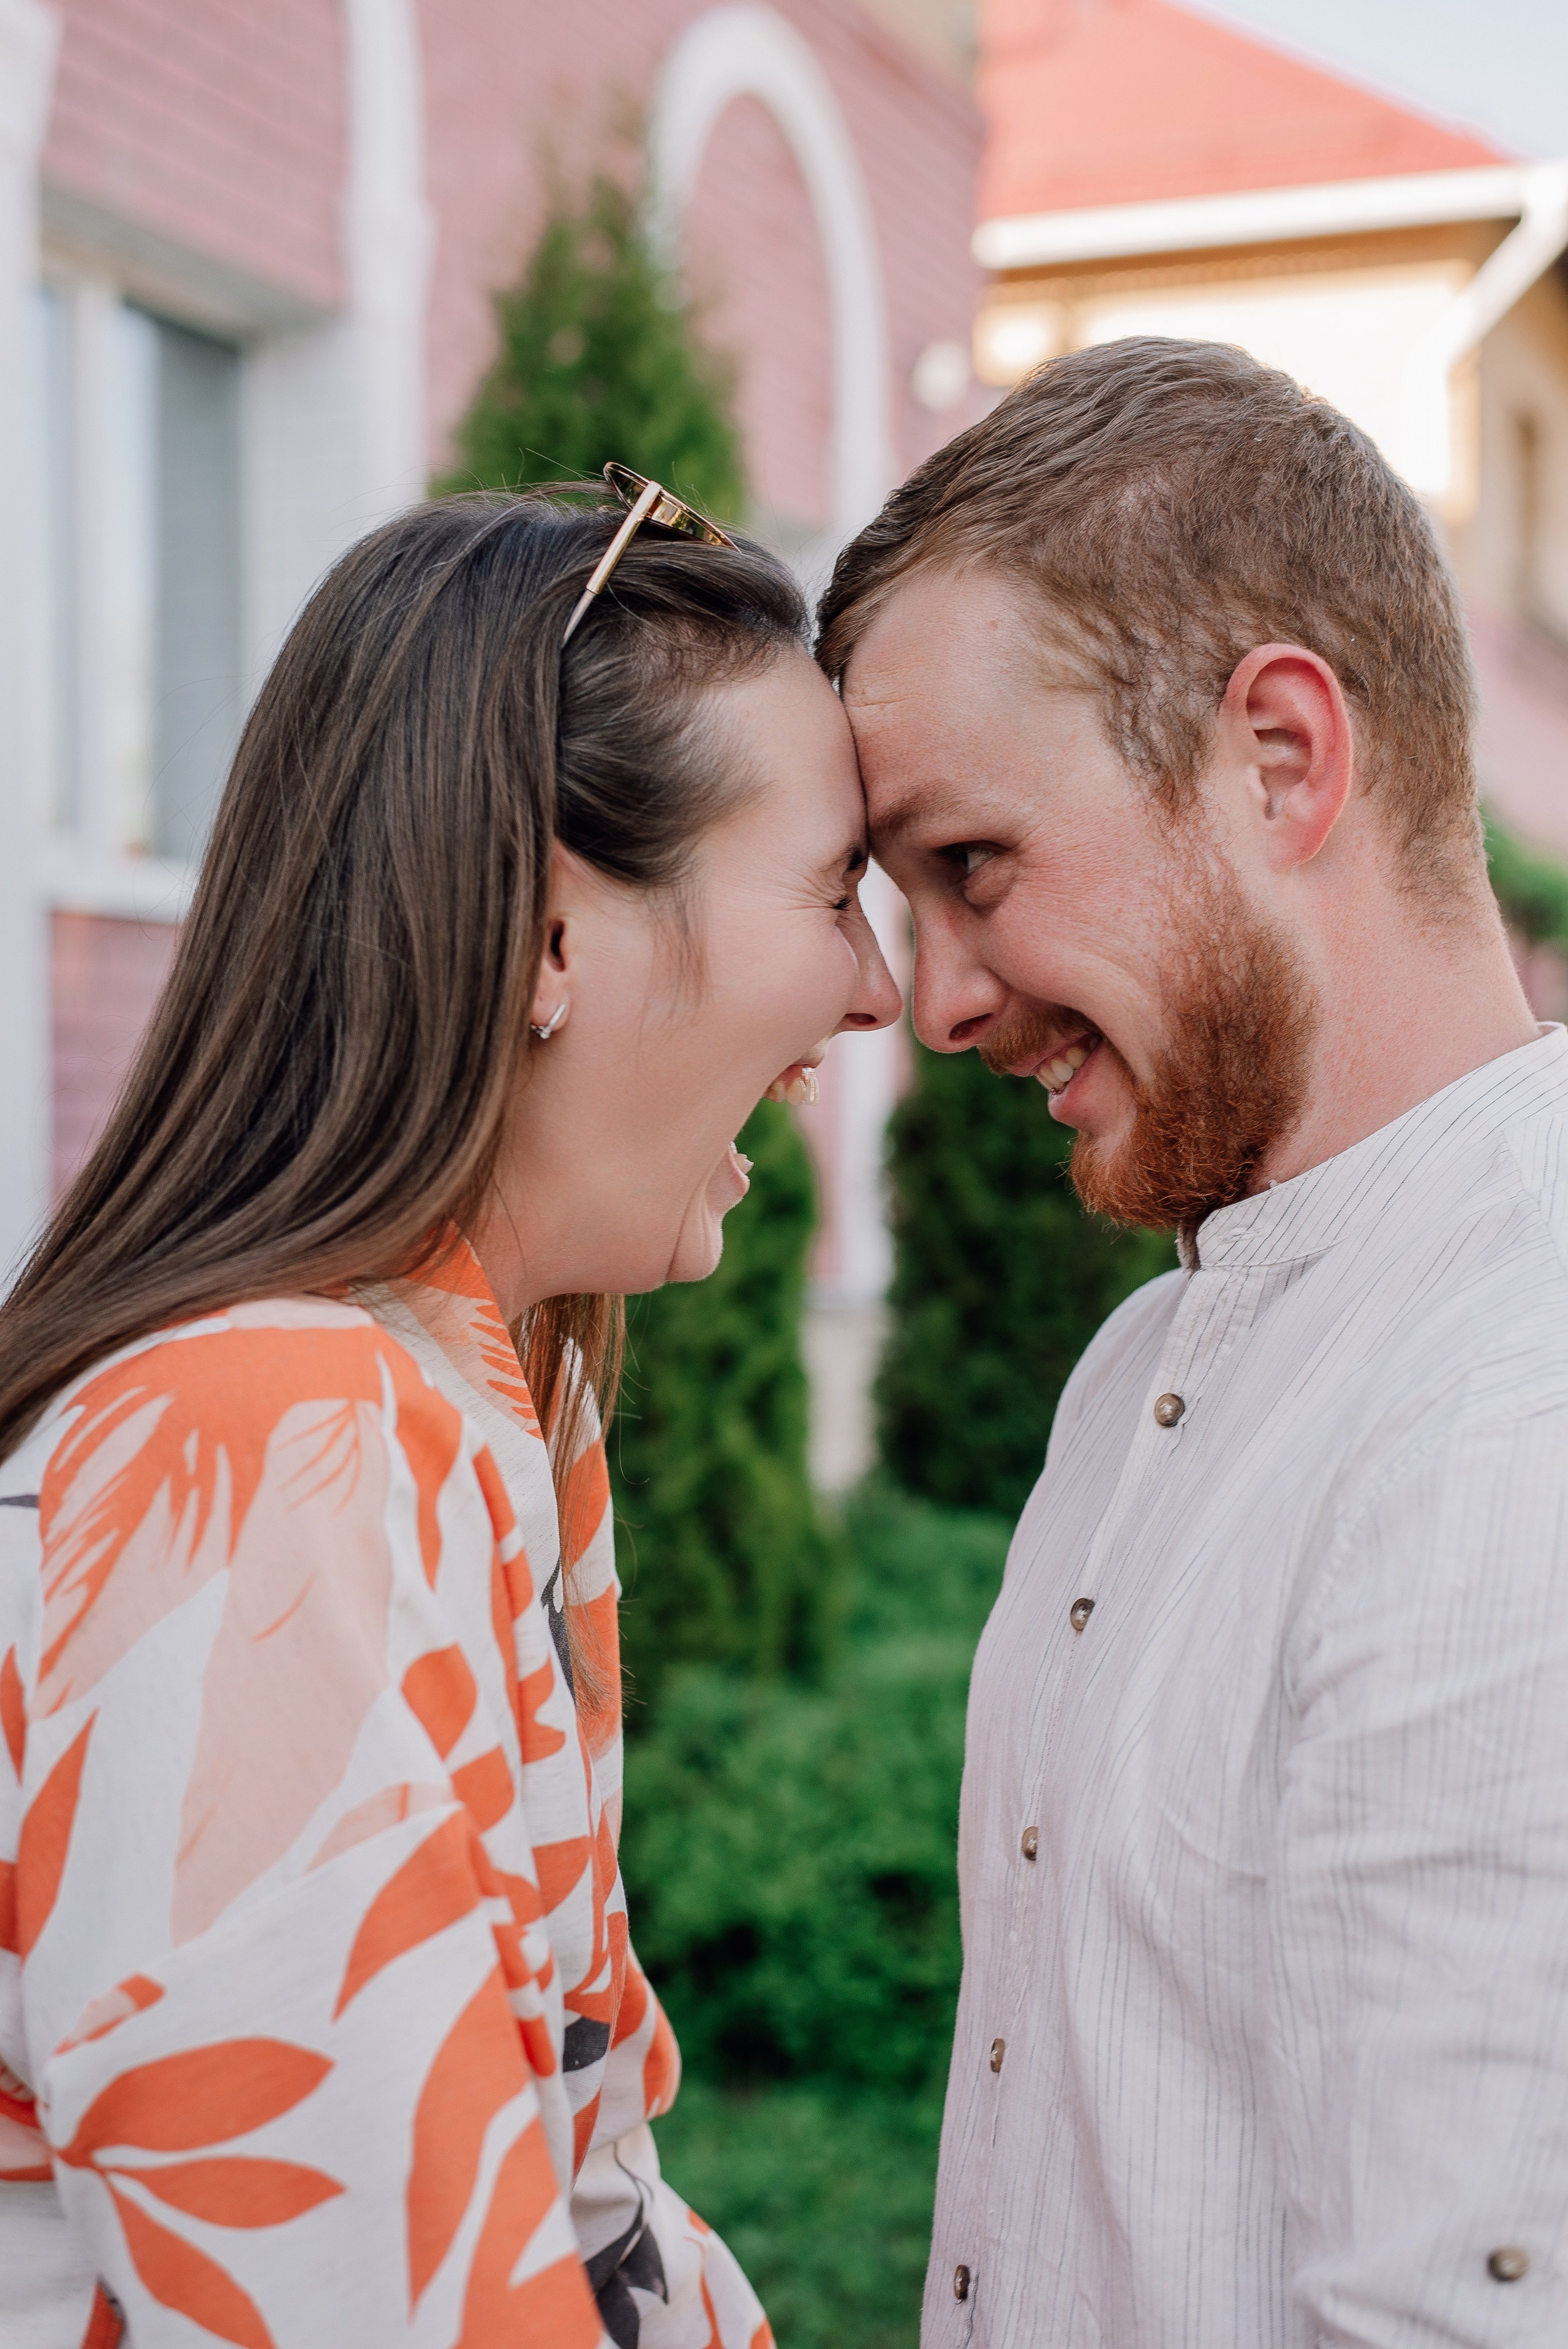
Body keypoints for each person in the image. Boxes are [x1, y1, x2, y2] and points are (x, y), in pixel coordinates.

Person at [0, 472, 899, 2347]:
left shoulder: (468, 1406)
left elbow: (570, 2189)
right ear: (554, 931)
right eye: (835, 892)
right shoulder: (268, 1454)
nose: (882, 991)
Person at [817, 338, 1568, 2346]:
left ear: (1282, 759)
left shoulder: (1522, 1390)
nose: (935, 1003)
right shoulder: (1143, 1356)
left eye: (972, 866)